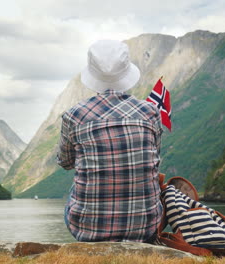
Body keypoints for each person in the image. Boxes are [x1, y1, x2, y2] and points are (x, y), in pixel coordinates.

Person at [57, 39, 163, 242]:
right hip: (145, 227)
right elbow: (155, 157)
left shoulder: (73, 116)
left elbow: (65, 162)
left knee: (76, 184)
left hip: (88, 230)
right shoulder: (151, 113)